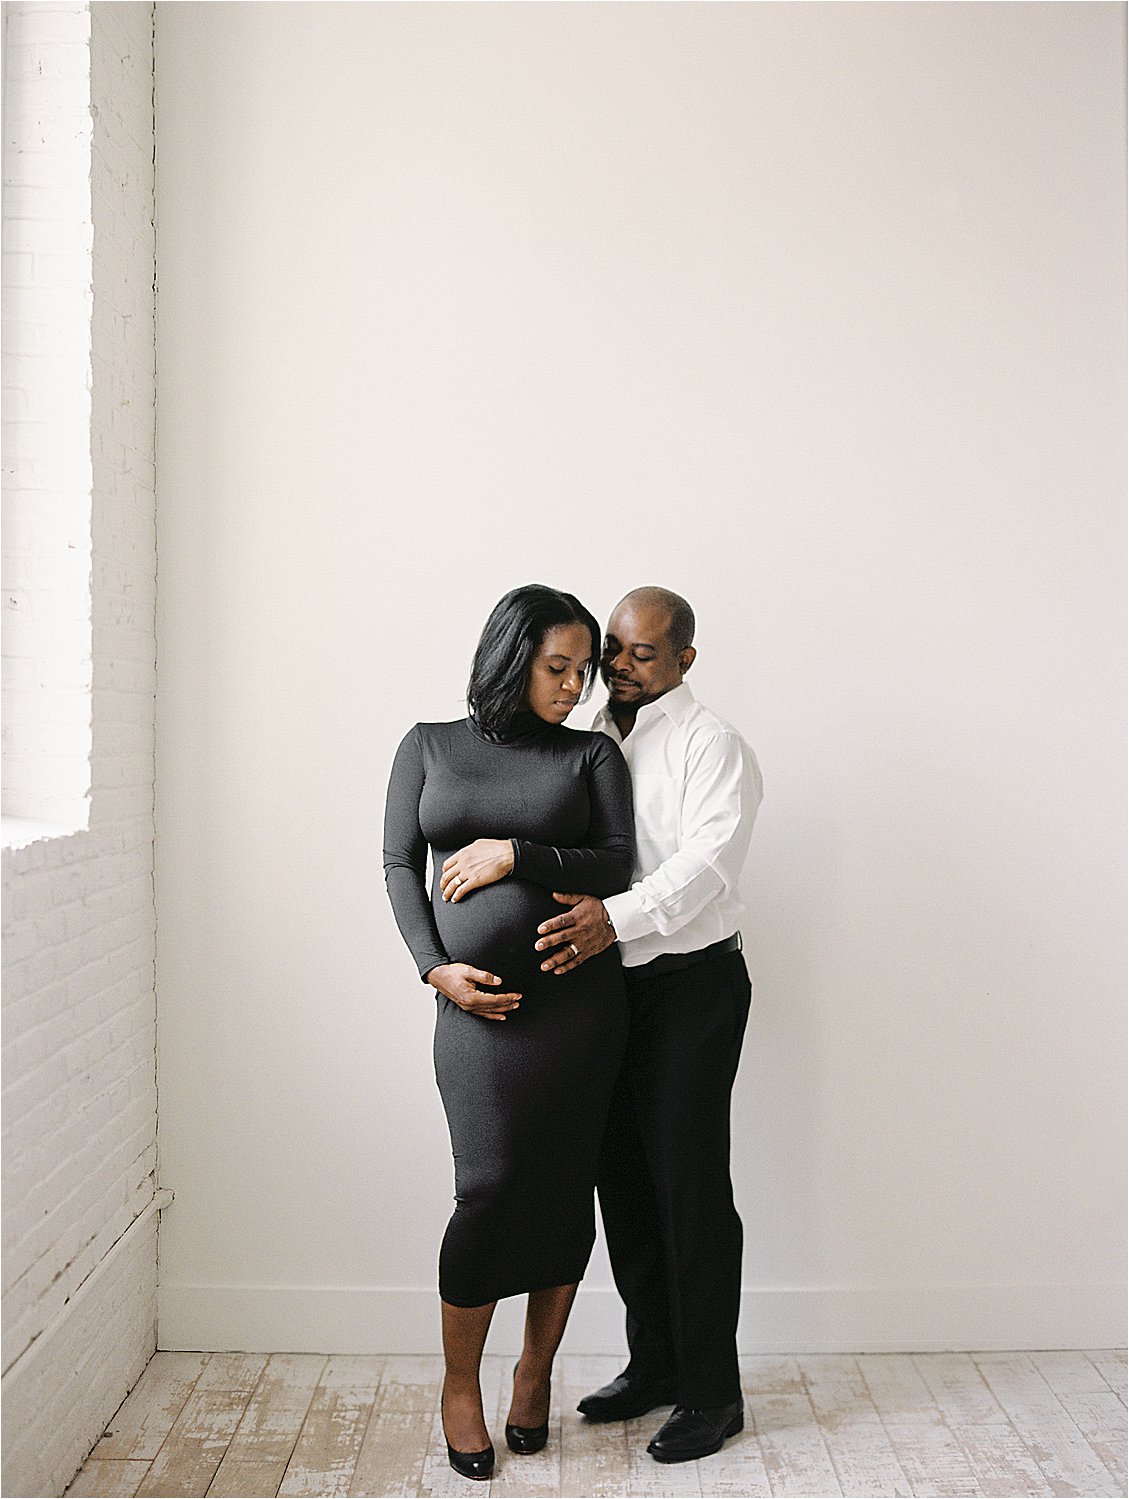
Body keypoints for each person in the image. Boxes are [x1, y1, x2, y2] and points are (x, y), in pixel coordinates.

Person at [382, 583, 635, 1481]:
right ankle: (461, 1386)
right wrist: (432, 967)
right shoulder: (429, 747)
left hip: (578, 1009)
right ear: (509, 658)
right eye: (555, 668)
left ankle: (535, 1371)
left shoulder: (589, 756)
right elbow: (397, 860)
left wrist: (515, 853)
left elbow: (616, 861)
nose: (574, 687)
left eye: (584, 670)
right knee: (487, 1192)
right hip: (473, 1014)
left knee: (563, 1190)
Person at [532, 585, 763, 1465]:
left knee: (689, 1186)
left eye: (640, 654)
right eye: (612, 653)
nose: (619, 668)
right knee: (619, 1179)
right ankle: (655, 1364)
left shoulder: (714, 746)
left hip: (690, 986)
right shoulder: (589, 736)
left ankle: (712, 1392)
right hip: (603, 993)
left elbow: (706, 865)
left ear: (684, 661)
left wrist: (610, 919)